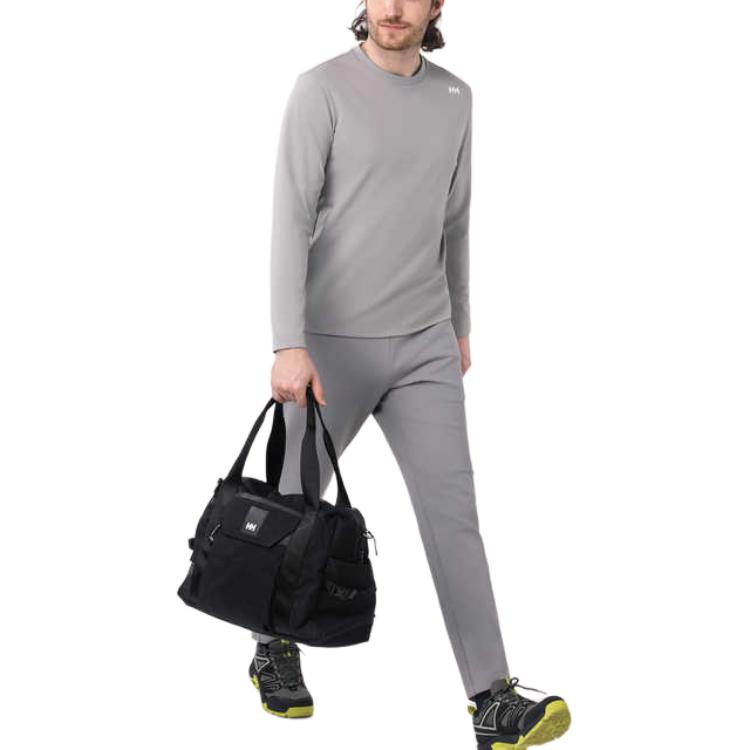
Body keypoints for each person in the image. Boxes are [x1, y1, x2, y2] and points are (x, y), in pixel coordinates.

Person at [249, 2, 572, 747]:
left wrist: (459, 323)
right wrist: (287, 342)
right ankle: (271, 643)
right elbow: (289, 218)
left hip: (425, 341)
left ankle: (492, 698)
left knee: (454, 515)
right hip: (330, 344)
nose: (393, 8)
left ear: (437, 6)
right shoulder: (320, 88)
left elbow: (455, 217)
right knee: (293, 505)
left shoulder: (456, 96)